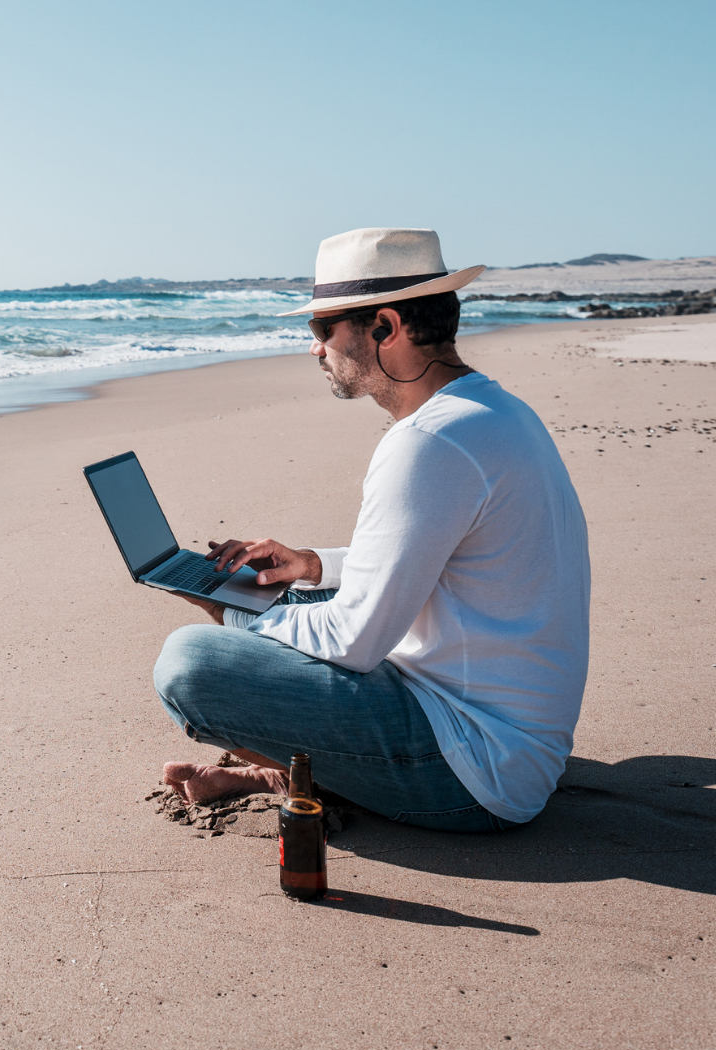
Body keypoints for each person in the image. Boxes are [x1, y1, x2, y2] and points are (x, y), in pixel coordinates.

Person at [153, 227, 590, 832]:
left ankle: (297, 774)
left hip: (476, 770)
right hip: (511, 735)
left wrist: (228, 606)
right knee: (301, 600)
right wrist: (309, 567)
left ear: (385, 327)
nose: (315, 350)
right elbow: (443, 558)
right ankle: (298, 769)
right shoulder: (493, 413)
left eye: (322, 330)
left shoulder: (428, 443)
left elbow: (355, 640)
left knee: (191, 662)